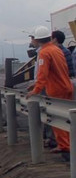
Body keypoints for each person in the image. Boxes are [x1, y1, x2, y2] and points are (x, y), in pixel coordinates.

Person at [27, 25, 73, 159]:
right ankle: (66, 145)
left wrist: (35, 91)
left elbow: (43, 75)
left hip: (56, 89)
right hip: (66, 86)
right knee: (66, 119)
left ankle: (66, 149)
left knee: (57, 119)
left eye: (32, 38)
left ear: (37, 39)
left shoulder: (44, 52)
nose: (31, 41)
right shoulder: (56, 49)